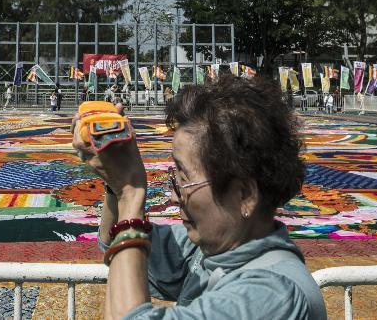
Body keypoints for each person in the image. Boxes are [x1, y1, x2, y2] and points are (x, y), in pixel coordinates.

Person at [72, 75, 327, 319]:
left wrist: (130, 194)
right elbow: (113, 243)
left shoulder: (273, 296)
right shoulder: (208, 252)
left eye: (184, 178)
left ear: (245, 195)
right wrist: (115, 184)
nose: (173, 195)